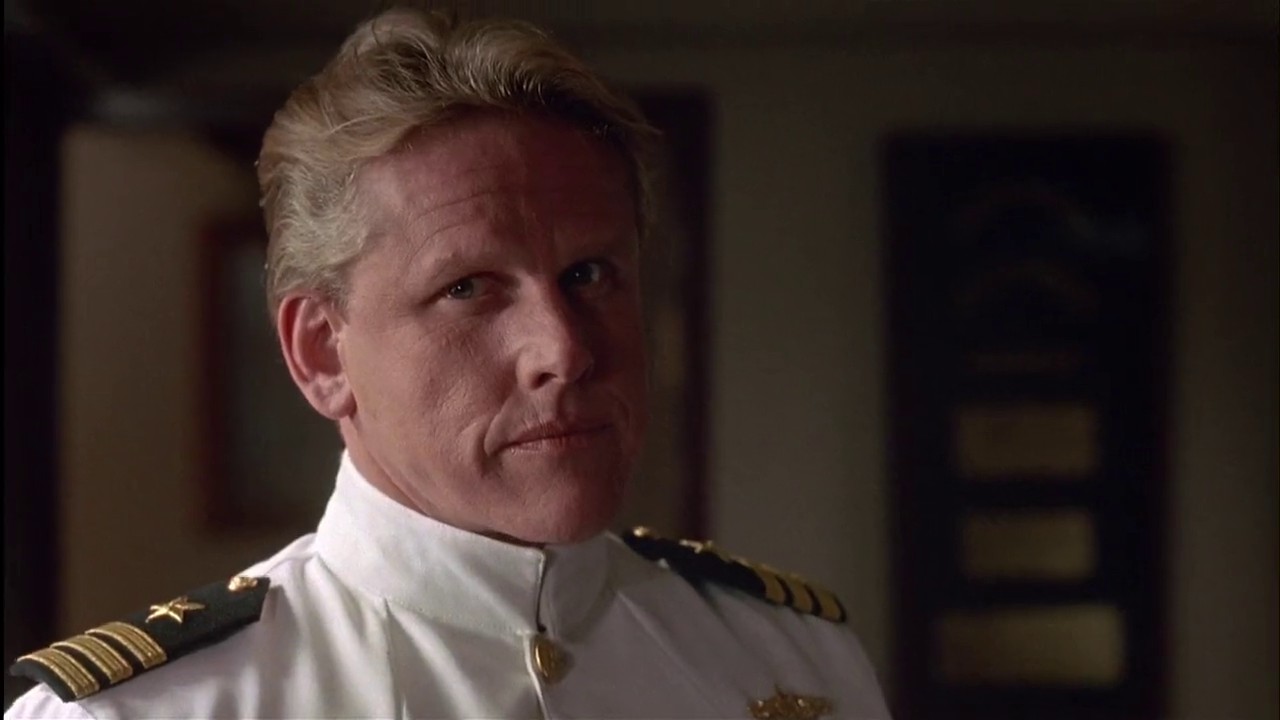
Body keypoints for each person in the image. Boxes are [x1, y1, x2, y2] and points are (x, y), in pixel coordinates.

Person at [7, 7, 891, 719]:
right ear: (322, 354)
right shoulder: (150, 709)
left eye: (590, 274)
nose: (565, 350)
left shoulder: (788, 658)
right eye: (469, 289)